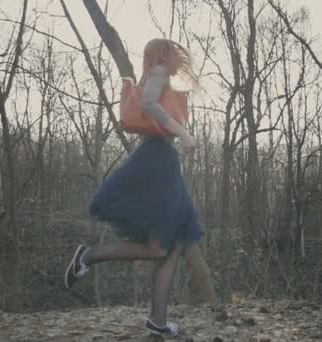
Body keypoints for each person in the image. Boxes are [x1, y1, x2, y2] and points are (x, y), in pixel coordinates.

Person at [64, 38, 203, 337]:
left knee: (167, 246)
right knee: (168, 244)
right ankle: (89, 256)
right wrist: (183, 132)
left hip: (160, 159)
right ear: (163, 55)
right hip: (158, 161)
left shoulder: (157, 75)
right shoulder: (158, 73)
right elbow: (149, 104)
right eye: (175, 53)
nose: (180, 58)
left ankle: (158, 319)